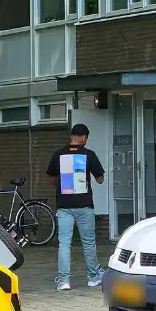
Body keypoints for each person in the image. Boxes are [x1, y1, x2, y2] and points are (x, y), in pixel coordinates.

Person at [46, 123, 105, 291]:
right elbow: (100, 179)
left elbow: (51, 178)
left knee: (64, 242)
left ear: (71, 136)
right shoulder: (89, 155)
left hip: (64, 205)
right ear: (85, 138)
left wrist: (61, 182)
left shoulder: (58, 154)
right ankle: (93, 277)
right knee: (88, 242)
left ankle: (64, 280)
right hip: (84, 205)